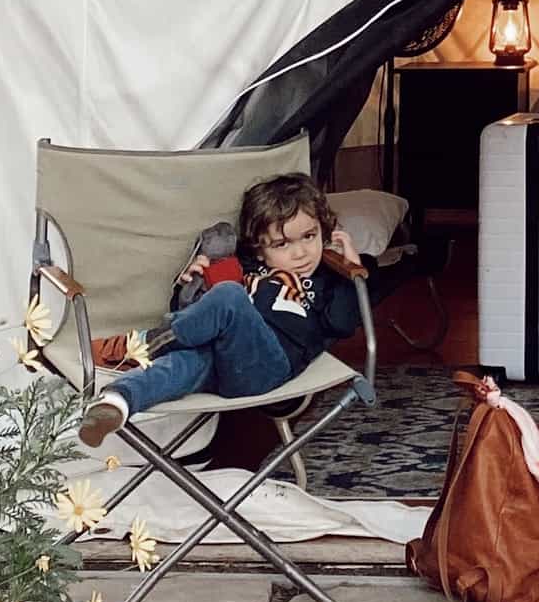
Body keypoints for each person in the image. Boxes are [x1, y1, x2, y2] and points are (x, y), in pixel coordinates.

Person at [75, 173, 364, 447]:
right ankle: (115, 402)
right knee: (179, 365)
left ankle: (139, 344)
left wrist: (351, 270)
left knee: (230, 295)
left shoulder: (326, 281)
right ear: (259, 249)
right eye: (282, 244)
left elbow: (343, 323)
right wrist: (189, 282)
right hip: (221, 363)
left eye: (309, 236)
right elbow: (192, 314)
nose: (300, 253)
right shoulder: (244, 268)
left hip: (270, 367)